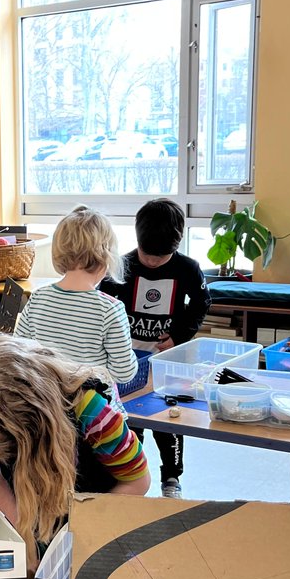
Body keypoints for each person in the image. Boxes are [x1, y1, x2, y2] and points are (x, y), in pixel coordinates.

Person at [0, 336, 150, 564]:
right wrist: (25, 539)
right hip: (36, 518)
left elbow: (138, 481)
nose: (1, 460)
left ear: (39, 423)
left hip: (100, 526)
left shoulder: (95, 415)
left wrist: (80, 534)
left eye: (8, 453)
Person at [100, 197, 211, 498]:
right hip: (126, 360)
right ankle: (130, 477)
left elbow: (201, 304)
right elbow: (101, 305)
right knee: (130, 420)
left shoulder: (188, 269)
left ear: (176, 246)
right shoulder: (121, 266)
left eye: (159, 258)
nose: (150, 262)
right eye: (147, 255)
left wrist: (178, 336)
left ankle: (171, 479)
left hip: (166, 359)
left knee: (168, 418)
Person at [15, 204, 138, 401]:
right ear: (106, 256)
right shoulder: (110, 309)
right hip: (93, 413)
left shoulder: (38, 297)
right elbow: (124, 373)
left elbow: (19, 352)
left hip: (48, 407)